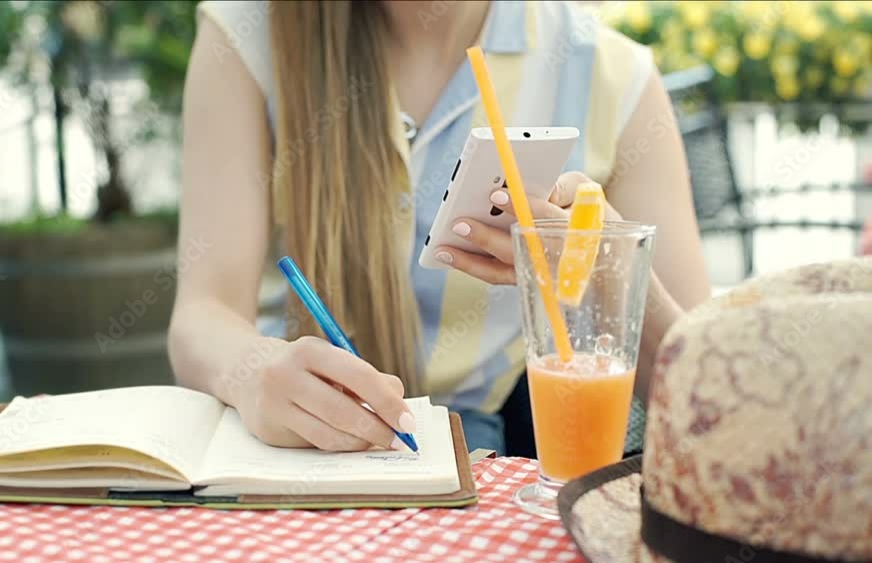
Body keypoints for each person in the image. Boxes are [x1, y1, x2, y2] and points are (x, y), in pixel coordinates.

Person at [170, 0, 710, 457]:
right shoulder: (249, 32)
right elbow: (202, 314)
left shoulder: (610, 73)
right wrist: (254, 369)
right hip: (296, 444)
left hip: (477, 449)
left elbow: (700, 394)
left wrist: (610, 265)